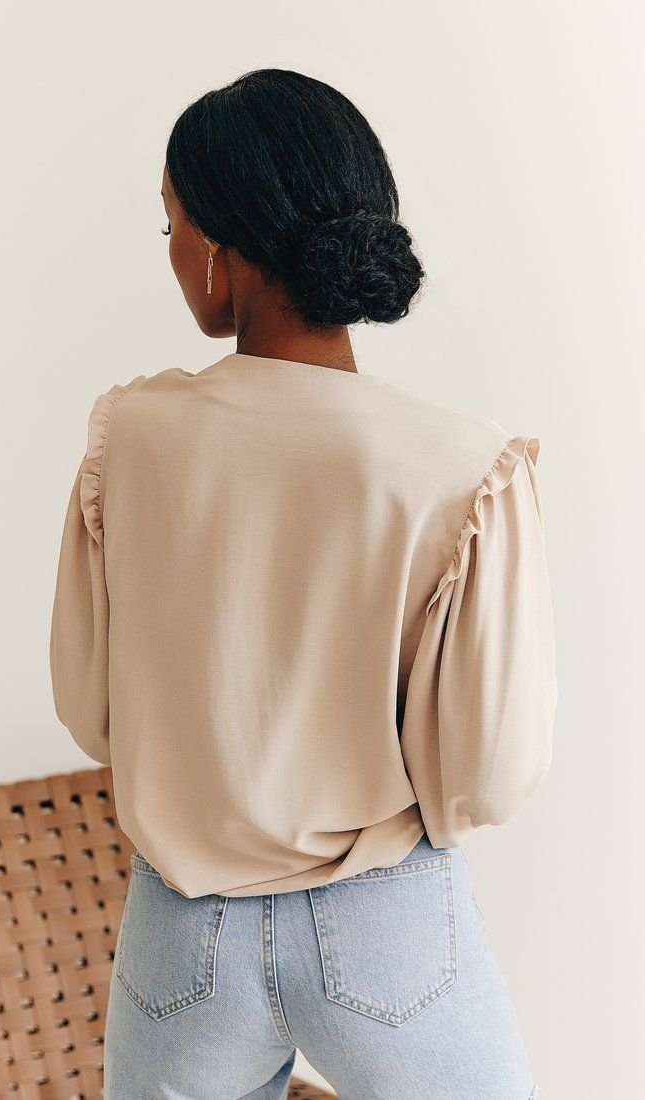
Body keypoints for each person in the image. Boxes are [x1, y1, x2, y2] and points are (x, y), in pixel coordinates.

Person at [49, 67, 555, 1100]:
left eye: (172, 226)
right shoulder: (463, 464)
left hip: (182, 934)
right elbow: (488, 770)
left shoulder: (130, 439)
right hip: (387, 927)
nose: (172, 251)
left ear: (219, 249)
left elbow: (90, 709)